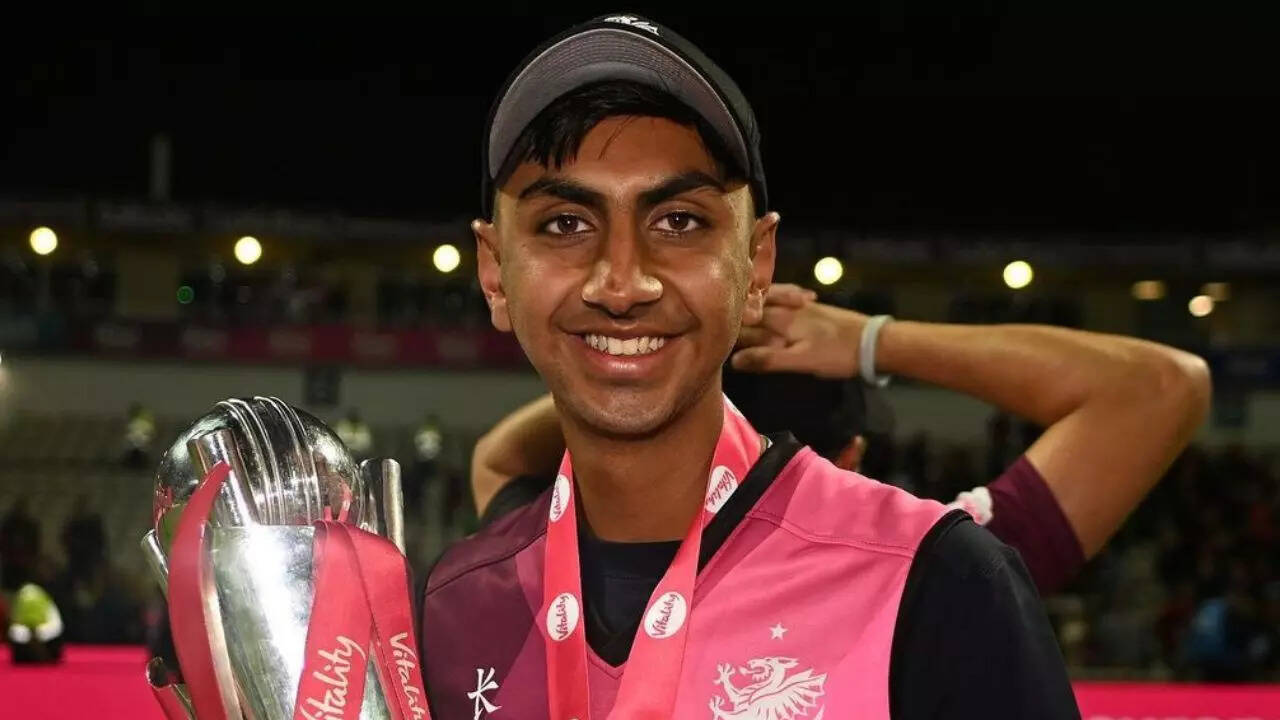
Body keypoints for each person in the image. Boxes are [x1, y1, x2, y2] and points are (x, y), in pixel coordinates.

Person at [420, 15, 1081, 718]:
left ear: (757, 263)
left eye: (678, 221)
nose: (622, 284)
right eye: (565, 224)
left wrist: (873, 340)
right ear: (494, 271)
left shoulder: (936, 581)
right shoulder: (447, 612)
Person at [473, 284, 1212, 594]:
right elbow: (1162, 387)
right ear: (852, 456)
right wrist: (870, 340)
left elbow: (499, 457)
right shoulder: (926, 573)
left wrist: (672, 364)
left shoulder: (576, 574)